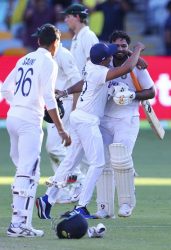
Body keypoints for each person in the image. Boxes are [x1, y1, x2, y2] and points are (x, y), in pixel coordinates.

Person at [36, 41, 145, 219]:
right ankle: (81, 207)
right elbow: (126, 68)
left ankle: (48, 198)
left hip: (79, 116)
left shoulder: (90, 66)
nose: (112, 56)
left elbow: (84, 82)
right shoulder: (100, 72)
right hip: (87, 121)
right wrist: (138, 50)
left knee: (70, 161)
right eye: (109, 55)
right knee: (98, 164)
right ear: (104, 60)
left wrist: (65, 92)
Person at [0, 23, 71, 237]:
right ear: (55, 43)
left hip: (13, 117)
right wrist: (60, 130)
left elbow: (5, 88)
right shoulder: (49, 62)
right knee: (28, 172)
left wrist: (18, 104)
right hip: (29, 121)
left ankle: (22, 222)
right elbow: (49, 98)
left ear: (39, 41)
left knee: (24, 170)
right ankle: (18, 225)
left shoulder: (24, 59)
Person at [94, 30, 156, 219]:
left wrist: (131, 96)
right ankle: (104, 207)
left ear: (128, 48)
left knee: (120, 159)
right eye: (116, 45)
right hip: (104, 119)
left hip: (127, 119)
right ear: (110, 46)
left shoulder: (138, 66)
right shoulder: (103, 63)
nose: (120, 49)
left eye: (124, 46)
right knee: (103, 163)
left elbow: (151, 92)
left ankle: (127, 203)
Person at [61, 3, 100, 200]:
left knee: (80, 142)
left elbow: (91, 70)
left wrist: (78, 101)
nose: (65, 20)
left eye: (68, 16)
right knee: (78, 143)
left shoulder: (88, 36)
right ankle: (81, 184)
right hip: (78, 94)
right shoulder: (77, 37)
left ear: (77, 16)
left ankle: (81, 185)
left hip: (84, 97)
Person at [44, 41, 82, 204]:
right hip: (52, 103)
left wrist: (74, 108)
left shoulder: (64, 55)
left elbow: (77, 82)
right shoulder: (45, 56)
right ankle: (62, 189)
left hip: (64, 102)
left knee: (53, 147)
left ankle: (79, 179)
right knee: (57, 148)